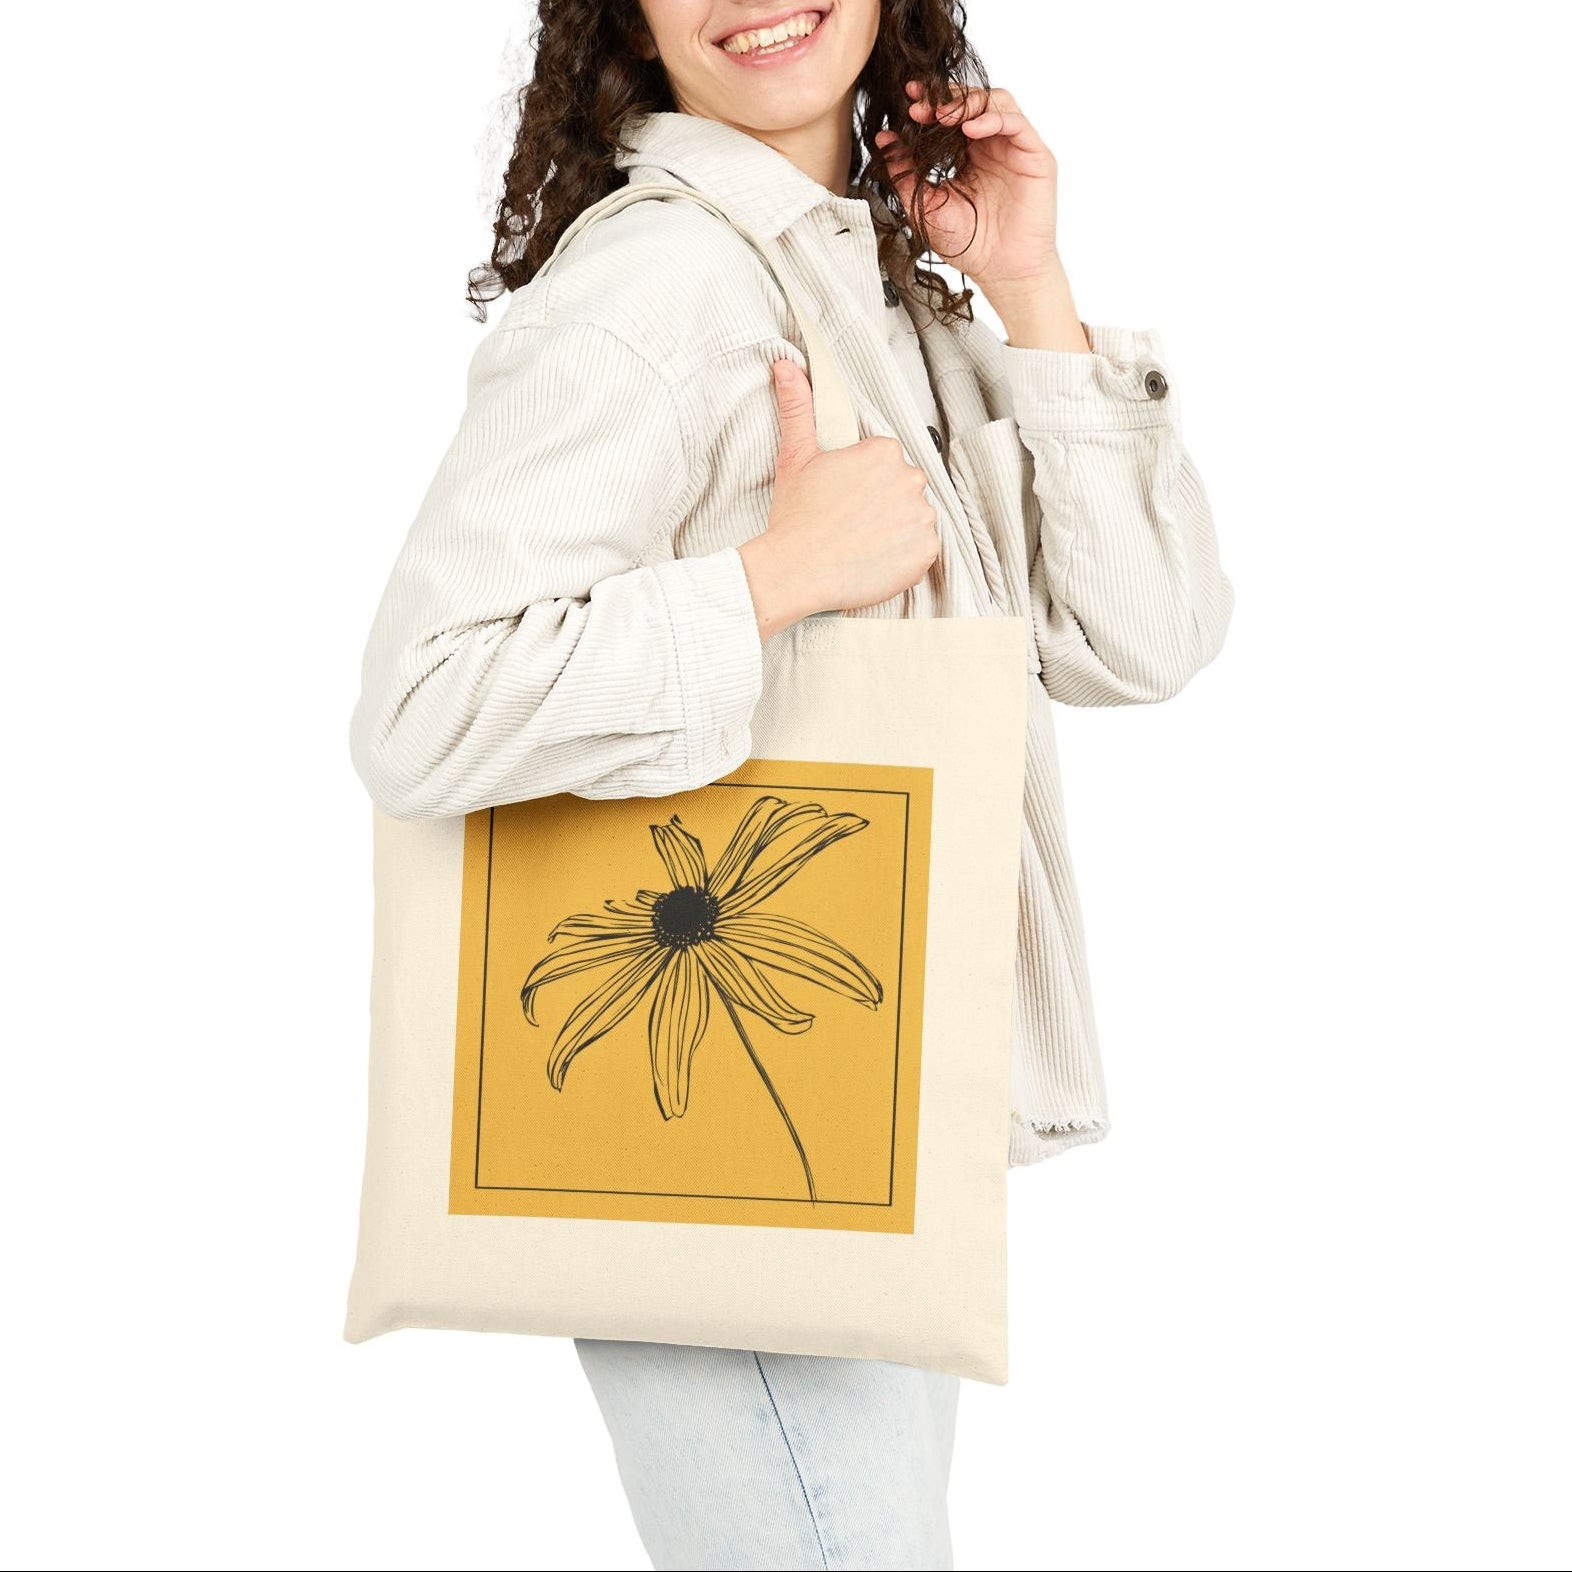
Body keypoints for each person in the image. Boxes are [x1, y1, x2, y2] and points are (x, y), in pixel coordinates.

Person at [348, 2, 1233, 1566]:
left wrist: (1027, 284)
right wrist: (770, 580)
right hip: (720, 1135)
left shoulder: (872, 281)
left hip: (865, 1112)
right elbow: (423, 706)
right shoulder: (662, 283)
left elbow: (1141, 639)